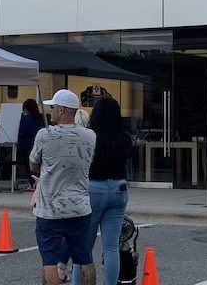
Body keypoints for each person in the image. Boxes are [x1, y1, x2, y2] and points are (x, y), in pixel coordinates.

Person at [31, 89, 97, 285]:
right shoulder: (90, 136)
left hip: (50, 208)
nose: (51, 112)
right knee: (85, 258)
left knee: (49, 260)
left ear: (61, 109)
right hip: (79, 206)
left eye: (52, 108)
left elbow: (33, 164)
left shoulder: (44, 134)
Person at [72, 96, 132, 285]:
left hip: (93, 188)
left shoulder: (90, 135)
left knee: (83, 248)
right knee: (111, 247)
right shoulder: (124, 137)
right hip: (118, 188)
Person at [18, 98, 44, 192]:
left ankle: (32, 184)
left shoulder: (27, 119)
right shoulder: (39, 118)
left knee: (28, 165)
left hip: (26, 144)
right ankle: (36, 183)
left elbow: (21, 130)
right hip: (36, 144)